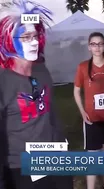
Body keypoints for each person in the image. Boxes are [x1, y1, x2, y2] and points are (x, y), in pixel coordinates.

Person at [0, 1, 73, 189]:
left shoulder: (42, 70)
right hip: (21, 164)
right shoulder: (3, 81)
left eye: (34, 36)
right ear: (9, 40)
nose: (33, 42)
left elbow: (52, 112)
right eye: (25, 37)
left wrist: (62, 145)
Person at [73, 32, 104, 189]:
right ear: (89, 47)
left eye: (100, 44)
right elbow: (76, 91)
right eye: (93, 44)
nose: (97, 47)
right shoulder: (82, 67)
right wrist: (82, 112)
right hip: (91, 119)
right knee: (93, 157)